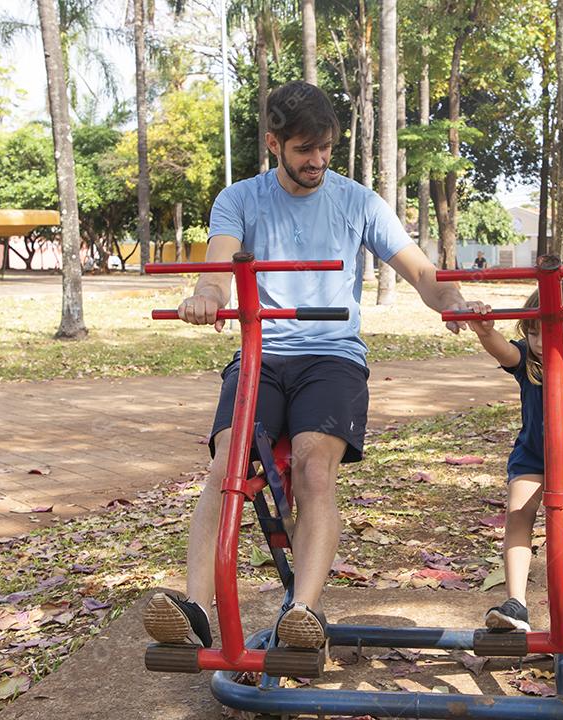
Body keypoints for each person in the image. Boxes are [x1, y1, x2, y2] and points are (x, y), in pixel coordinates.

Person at [142, 80, 473, 650]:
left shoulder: (358, 201)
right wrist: (207, 298)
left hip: (332, 357)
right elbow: (217, 272)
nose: (317, 160)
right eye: (304, 150)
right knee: (225, 467)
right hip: (261, 354)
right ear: (274, 144)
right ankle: (196, 608)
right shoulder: (240, 200)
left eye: (325, 147)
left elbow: (422, 273)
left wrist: (456, 301)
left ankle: (302, 613)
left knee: (314, 468)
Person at [465, 280, 563, 636]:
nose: (540, 342)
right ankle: (516, 603)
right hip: (534, 455)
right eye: (533, 333)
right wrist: (484, 330)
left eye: (553, 333)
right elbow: (502, 351)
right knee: (518, 514)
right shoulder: (527, 361)